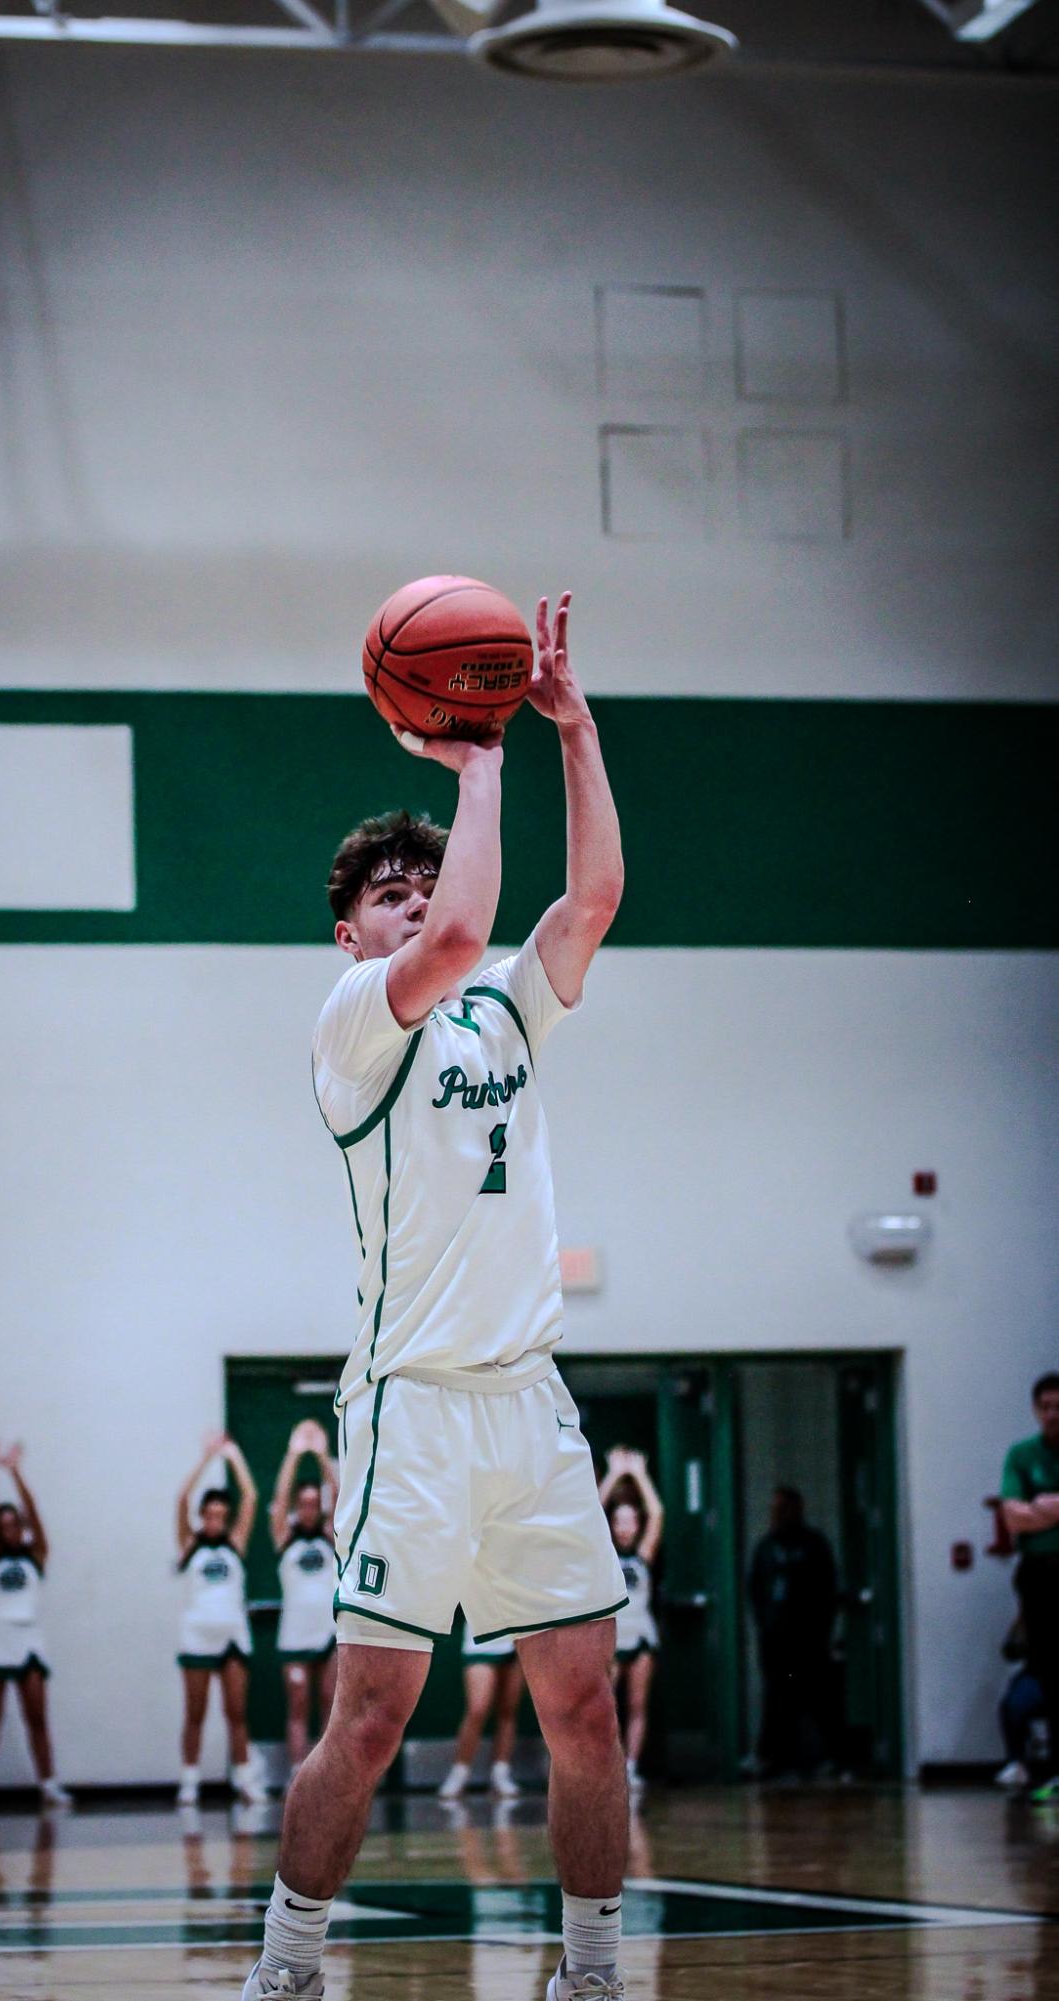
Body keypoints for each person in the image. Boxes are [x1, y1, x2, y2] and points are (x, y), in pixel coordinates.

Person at [243, 591, 629, 2001]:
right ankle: (285, 1969)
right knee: (371, 1718)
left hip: (528, 1399)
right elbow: (464, 930)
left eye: (422, 881)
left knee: (583, 1711)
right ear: (352, 935)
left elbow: (584, 904)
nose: (413, 898)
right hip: (410, 1408)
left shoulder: (504, 1012)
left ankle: (587, 1975)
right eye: (385, 896)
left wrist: (569, 729)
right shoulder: (352, 1023)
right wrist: (478, 762)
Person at [0, 1439, 70, 1812]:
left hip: (28, 1639)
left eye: (14, 1523)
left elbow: (35, 1513)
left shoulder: (36, 1553)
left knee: (37, 1717)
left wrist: (15, 1472)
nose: (9, 1529)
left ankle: (50, 1786)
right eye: (3, 1524)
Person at [176, 1432, 265, 1806]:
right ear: (202, 1517)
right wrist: (205, 1459)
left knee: (236, 1712)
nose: (215, 1520)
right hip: (197, 1637)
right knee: (195, 1713)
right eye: (209, 1515)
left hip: (232, 1636)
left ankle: (245, 1781)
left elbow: (252, 1497)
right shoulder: (189, 1543)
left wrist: (232, 1455)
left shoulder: (235, 1542)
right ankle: (189, 1783)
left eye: (220, 1516)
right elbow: (182, 1498)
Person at [747, 1486, 838, 1779]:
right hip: (775, 1639)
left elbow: (828, 1589)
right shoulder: (766, 1547)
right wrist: (765, 1623)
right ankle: (777, 1761)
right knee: (778, 1699)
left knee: (817, 1698)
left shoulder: (814, 1544)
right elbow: (755, 1589)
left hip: (808, 1637)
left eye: (783, 1508)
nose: (778, 1515)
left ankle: (829, 1759)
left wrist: (823, 1628)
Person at [998, 1372, 1059, 1805]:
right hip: (1040, 1573)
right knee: (1048, 1671)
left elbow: (1031, 1510)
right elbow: (1014, 1516)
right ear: (1037, 1410)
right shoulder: (1022, 1455)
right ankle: (1049, 1768)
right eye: (1046, 1406)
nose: (1054, 1414)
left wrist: (1045, 1506)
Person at [270, 1420, 339, 1778]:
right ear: (300, 1507)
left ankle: (323, 1775)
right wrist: (294, 1455)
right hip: (295, 1636)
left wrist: (323, 1456)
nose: (310, 1508)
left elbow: (339, 1492)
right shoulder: (286, 1536)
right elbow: (279, 1500)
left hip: (328, 1635)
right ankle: (298, 1773)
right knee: (298, 1705)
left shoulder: (330, 1535)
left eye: (315, 1503)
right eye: (305, 1504)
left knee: (330, 1705)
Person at [598, 1449, 664, 1796]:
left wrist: (639, 1474)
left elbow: (657, 1512)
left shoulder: (643, 1555)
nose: (625, 1528)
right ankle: (608, 1765)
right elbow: (592, 1511)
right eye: (618, 1522)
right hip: (613, 1638)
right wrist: (612, 1474)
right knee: (608, 1707)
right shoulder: (603, 1551)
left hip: (641, 1636)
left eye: (630, 1522)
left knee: (638, 1705)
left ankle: (632, 1767)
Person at [438, 1624, 523, 1800]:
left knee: (508, 1710)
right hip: (480, 1639)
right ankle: (459, 1773)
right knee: (477, 1709)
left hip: (517, 1638)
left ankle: (501, 1773)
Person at [996, 1605, 1045, 1790]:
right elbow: (1009, 1651)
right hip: (1036, 1673)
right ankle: (1016, 1762)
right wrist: (1019, 1641)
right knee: (1013, 1704)